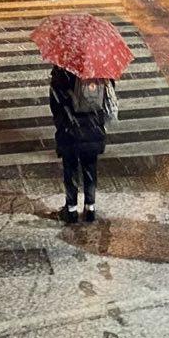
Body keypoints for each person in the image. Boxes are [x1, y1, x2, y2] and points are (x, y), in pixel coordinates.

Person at [50, 65, 114, 223]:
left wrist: (62, 120)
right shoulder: (102, 68)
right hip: (93, 128)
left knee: (70, 168)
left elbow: (54, 103)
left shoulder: (62, 69)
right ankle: (90, 207)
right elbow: (108, 96)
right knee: (90, 168)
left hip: (70, 129)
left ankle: (71, 209)